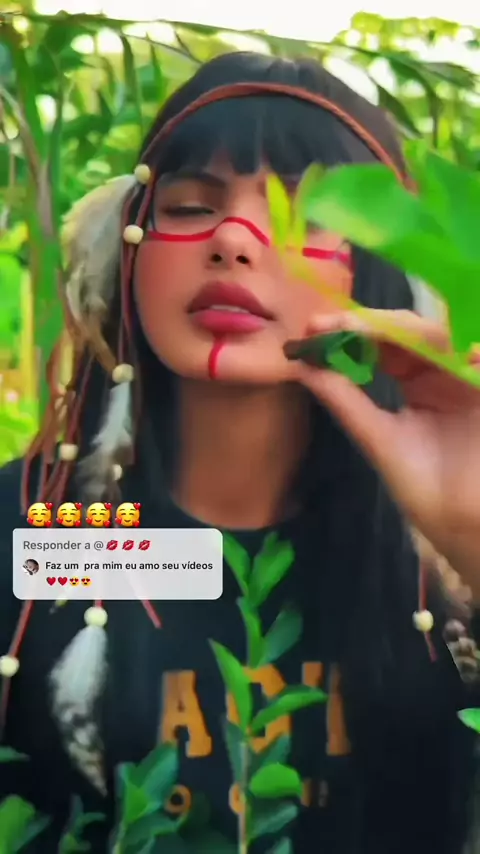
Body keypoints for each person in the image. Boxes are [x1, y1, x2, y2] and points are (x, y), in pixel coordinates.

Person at [0, 51, 479, 853]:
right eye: (190, 207)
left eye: (299, 216)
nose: (232, 240)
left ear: (379, 272)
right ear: (128, 249)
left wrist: (471, 532)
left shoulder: (446, 565)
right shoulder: (39, 539)